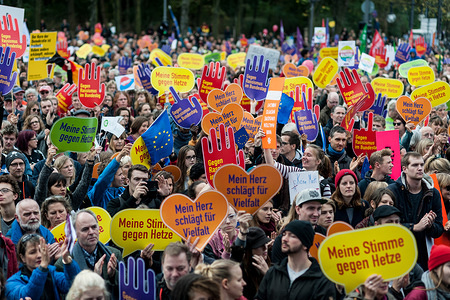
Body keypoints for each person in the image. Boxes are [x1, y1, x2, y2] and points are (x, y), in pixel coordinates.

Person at [388, 152, 444, 271]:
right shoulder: (392, 191)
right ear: (405, 169)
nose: (419, 168)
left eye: (421, 164)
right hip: (398, 253)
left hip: (424, 254)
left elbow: (439, 230)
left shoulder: (433, 193)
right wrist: (414, 227)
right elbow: (386, 227)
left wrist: (429, 226)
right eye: (414, 165)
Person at [255, 220, 336, 299]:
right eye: (284, 234)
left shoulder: (321, 280)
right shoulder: (273, 273)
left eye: (292, 236)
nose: (284, 239)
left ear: (305, 244)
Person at [55, 209, 122, 299]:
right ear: (76, 234)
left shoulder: (114, 254)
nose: (91, 232)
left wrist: (113, 275)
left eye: (94, 227)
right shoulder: (64, 263)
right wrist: (94, 279)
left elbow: (126, 290)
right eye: (85, 229)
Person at [5, 235, 80, 300]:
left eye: (41, 250)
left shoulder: (51, 272)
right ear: (22, 257)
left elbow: (72, 286)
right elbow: (28, 295)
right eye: (32, 252)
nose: (39, 255)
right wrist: (42, 267)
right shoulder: (12, 283)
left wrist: (67, 260)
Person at [35, 146, 95, 210]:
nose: (63, 189)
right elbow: (42, 183)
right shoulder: (43, 203)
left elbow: (84, 183)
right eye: (58, 186)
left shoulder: (71, 202)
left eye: (64, 186)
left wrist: (90, 161)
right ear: (49, 188)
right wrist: (48, 162)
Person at [106, 164, 170, 216]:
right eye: (137, 179)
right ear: (128, 181)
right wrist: (133, 198)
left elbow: (169, 220)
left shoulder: (155, 202)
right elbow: (114, 220)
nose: (141, 183)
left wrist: (164, 197)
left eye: (144, 180)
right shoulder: (115, 203)